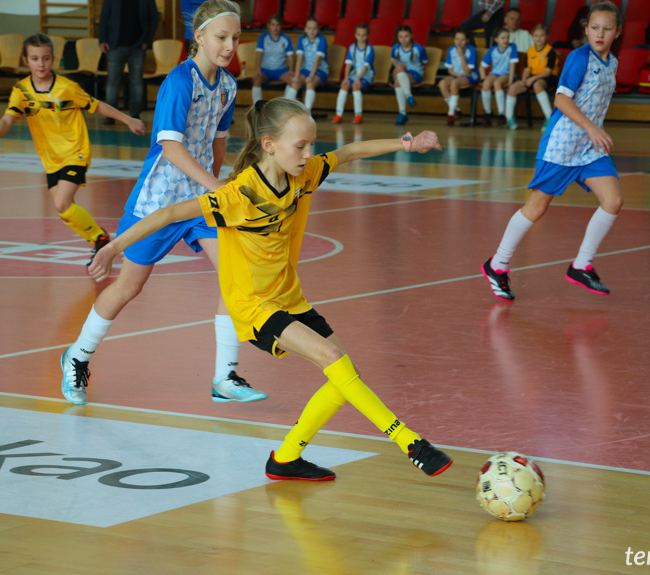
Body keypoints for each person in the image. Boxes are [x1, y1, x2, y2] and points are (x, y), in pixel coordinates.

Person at [88, 98, 453, 481]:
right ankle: (410, 442)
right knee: (332, 357)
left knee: (346, 375)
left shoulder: (304, 173)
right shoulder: (238, 195)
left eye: (311, 145)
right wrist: (112, 247)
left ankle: (286, 458)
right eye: (300, 146)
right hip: (254, 307)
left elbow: (346, 153)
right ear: (269, 145)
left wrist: (407, 144)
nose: (308, 154)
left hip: (289, 297)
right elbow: (167, 213)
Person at [59, 0, 266, 406]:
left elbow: (217, 142)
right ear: (200, 37)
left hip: (199, 202)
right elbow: (170, 147)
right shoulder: (179, 81)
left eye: (236, 38)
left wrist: (214, 188)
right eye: (221, 37)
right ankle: (77, 356)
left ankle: (225, 376)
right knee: (129, 286)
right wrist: (214, 185)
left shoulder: (226, 85)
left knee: (235, 274)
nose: (229, 45)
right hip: (159, 198)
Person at [483, 2, 623, 300]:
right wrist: (592, 127)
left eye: (607, 28)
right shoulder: (577, 58)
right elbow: (561, 100)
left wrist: (593, 132)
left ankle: (581, 265)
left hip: (589, 148)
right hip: (562, 145)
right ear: (585, 29)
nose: (600, 33)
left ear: (617, 32)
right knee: (536, 208)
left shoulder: (612, 62)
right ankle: (498, 264)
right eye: (594, 27)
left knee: (613, 200)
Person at [0, 33, 146, 267]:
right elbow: (8, 119)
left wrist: (127, 119)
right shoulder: (21, 91)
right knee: (65, 210)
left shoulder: (67, 87)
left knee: (61, 203)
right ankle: (99, 238)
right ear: (25, 60)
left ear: (53, 59)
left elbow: (97, 105)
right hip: (51, 159)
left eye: (46, 58)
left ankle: (102, 240)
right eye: (35, 58)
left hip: (75, 153)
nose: (41, 64)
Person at [98, 0, 159, 125]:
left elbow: (154, 18)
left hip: (138, 46)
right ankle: (110, 115)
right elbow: (104, 18)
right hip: (115, 46)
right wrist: (102, 39)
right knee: (113, 82)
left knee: (136, 82)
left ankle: (135, 114)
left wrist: (147, 41)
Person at [504, 24, 558, 131]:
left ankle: (548, 117)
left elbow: (547, 72)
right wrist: (524, 79)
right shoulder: (530, 51)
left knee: (537, 85)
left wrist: (532, 79)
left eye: (541, 36)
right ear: (532, 36)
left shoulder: (550, 51)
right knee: (513, 88)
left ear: (546, 37)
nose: (538, 38)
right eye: (536, 36)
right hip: (531, 77)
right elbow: (527, 69)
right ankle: (509, 118)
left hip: (548, 77)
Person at [332, 23, 375, 125]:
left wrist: (358, 79)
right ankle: (338, 114)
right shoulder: (352, 47)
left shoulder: (370, 49)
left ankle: (358, 115)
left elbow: (365, 67)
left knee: (356, 86)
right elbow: (348, 64)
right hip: (354, 74)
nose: (361, 37)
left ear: (368, 36)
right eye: (359, 34)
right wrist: (346, 78)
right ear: (355, 35)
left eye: (364, 35)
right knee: (344, 85)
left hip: (365, 75)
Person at [285, 18, 329, 111]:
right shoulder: (302, 38)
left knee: (310, 83)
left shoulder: (322, 39)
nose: (312, 31)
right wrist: (297, 76)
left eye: (314, 28)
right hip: (305, 69)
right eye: (309, 28)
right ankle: (284, 110)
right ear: (305, 29)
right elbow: (299, 58)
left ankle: (307, 112)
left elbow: (317, 60)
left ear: (318, 29)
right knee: (295, 83)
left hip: (320, 70)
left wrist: (311, 76)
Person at [439, 28, 478, 126]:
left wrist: (461, 55)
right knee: (442, 83)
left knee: (454, 83)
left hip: (470, 76)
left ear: (467, 40)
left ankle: (451, 114)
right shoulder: (451, 49)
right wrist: (457, 75)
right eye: (457, 39)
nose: (459, 42)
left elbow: (467, 71)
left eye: (462, 39)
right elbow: (450, 70)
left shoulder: (471, 50)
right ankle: (456, 109)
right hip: (456, 75)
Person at [479, 27, 518, 126]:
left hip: (507, 73)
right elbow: (482, 67)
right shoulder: (492, 50)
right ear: (496, 39)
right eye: (503, 38)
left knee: (497, 83)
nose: (506, 40)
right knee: (486, 84)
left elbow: (513, 66)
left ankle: (502, 113)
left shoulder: (512, 47)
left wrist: (510, 80)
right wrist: (483, 79)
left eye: (507, 37)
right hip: (495, 73)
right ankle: (487, 112)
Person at [251, 14, 294, 104]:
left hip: (281, 70)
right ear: (268, 25)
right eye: (273, 24)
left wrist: (291, 70)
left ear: (281, 26)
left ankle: (285, 105)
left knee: (293, 80)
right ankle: (257, 107)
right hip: (265, 70)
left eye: (278, 25)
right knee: (257, 78)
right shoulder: (263, 37)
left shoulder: (286, 38)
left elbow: (290, 57)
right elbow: (258, 55)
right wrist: (258, 70)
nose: (275, 27)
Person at [391, 25, 428, 126]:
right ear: (398, 38)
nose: (403, 39)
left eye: (406, 36)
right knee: (398, 80)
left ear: (411, 36)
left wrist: (408, 68)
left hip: (415, 73)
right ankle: (408, 96)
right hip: (401, 74)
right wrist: (400, 67)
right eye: (401, 36)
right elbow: (394, 60)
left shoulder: (418, 48)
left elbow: (424, 63)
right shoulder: (396, 48)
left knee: (398, 78)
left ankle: (402, 113)